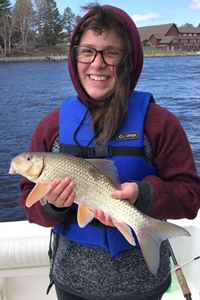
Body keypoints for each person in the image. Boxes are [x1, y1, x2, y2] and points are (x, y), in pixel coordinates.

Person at [19, 3, 200, 300]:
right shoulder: (50, 126)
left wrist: (143, 194)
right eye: (87, 51)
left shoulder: (160, 123)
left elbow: (191, 197)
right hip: (71, 282)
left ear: (128, 60)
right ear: (74, 56)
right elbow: (29, 204)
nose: (97, 63)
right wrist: (52, 206)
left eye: (111, 53)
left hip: (142, 286)